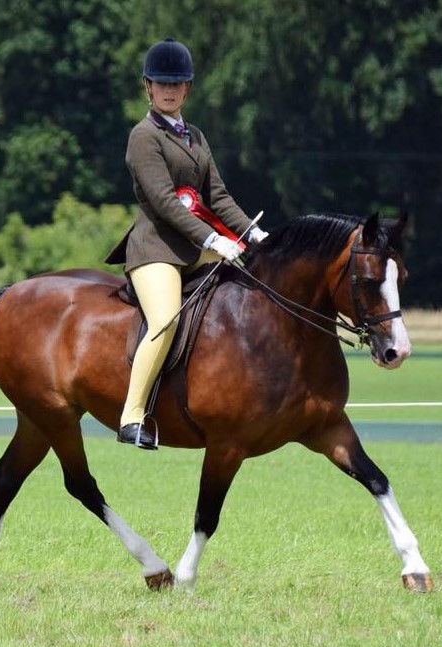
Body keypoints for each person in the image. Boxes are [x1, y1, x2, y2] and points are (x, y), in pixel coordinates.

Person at [105, 37, 268, 450]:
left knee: (255, 288)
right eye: (162, 82)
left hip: (197, 248)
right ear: (148, 86)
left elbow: (219, 197)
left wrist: (253, 234)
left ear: (188, 89)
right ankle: (132, 415)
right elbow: (162, 201)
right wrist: (214, 238)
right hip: (157, 249)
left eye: (177, 83)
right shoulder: (143, 137)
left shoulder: (195, 135)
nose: (169, 89)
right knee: (165, 319)